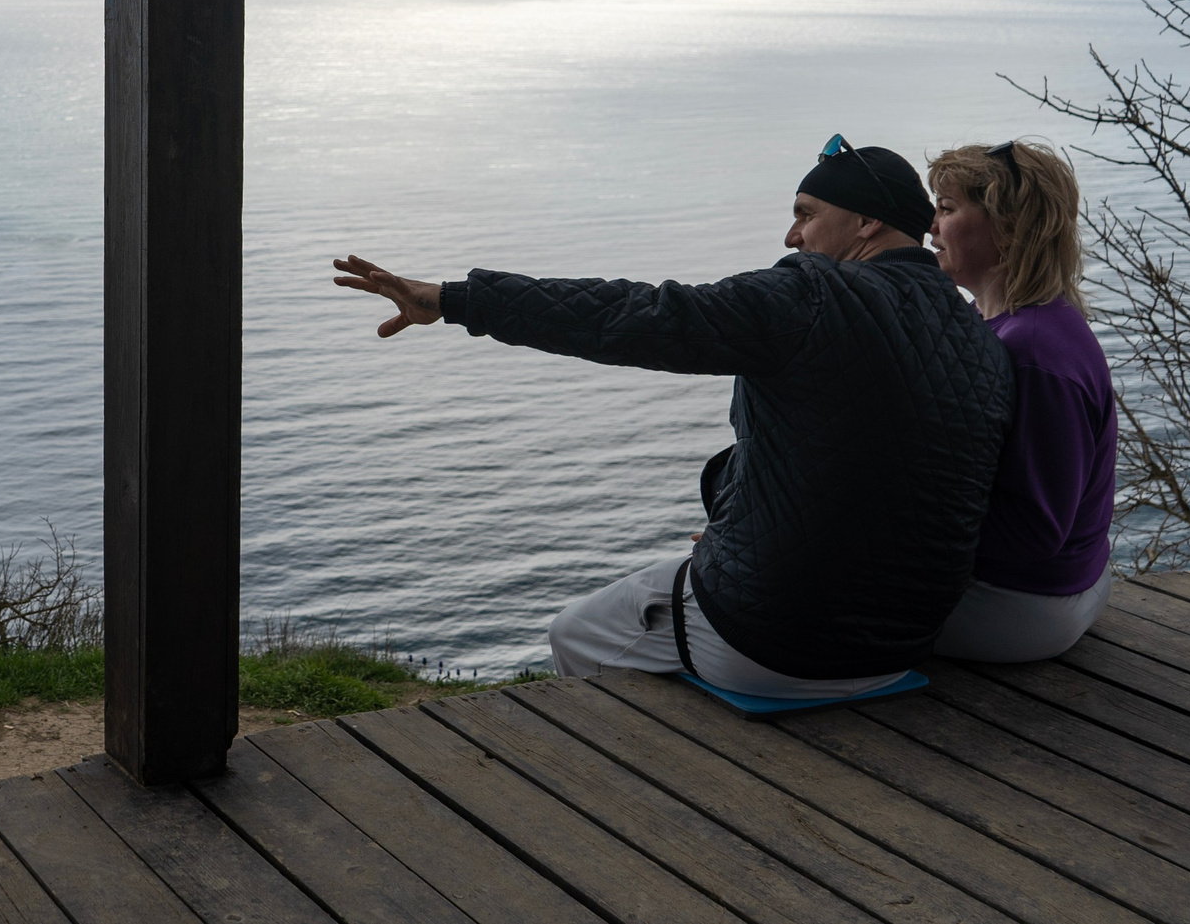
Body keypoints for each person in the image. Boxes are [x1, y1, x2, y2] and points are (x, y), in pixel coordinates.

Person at [335, 135, 1012, 700]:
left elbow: (636, 315)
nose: (791, 232)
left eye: (806, 212)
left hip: (778, 642)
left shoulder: (809, 295)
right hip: (903, 645)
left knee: (576, 631)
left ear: (866, 221)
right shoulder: (978, 335)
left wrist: (458, 299)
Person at [924, 139, 1116, 661]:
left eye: (946, 209)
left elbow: (1034, 531)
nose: (930, 226)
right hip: (1054, 592)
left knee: (791, 594)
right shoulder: (1011, 325)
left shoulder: (1033, 352)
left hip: (1025, 607)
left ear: (1007, 228)